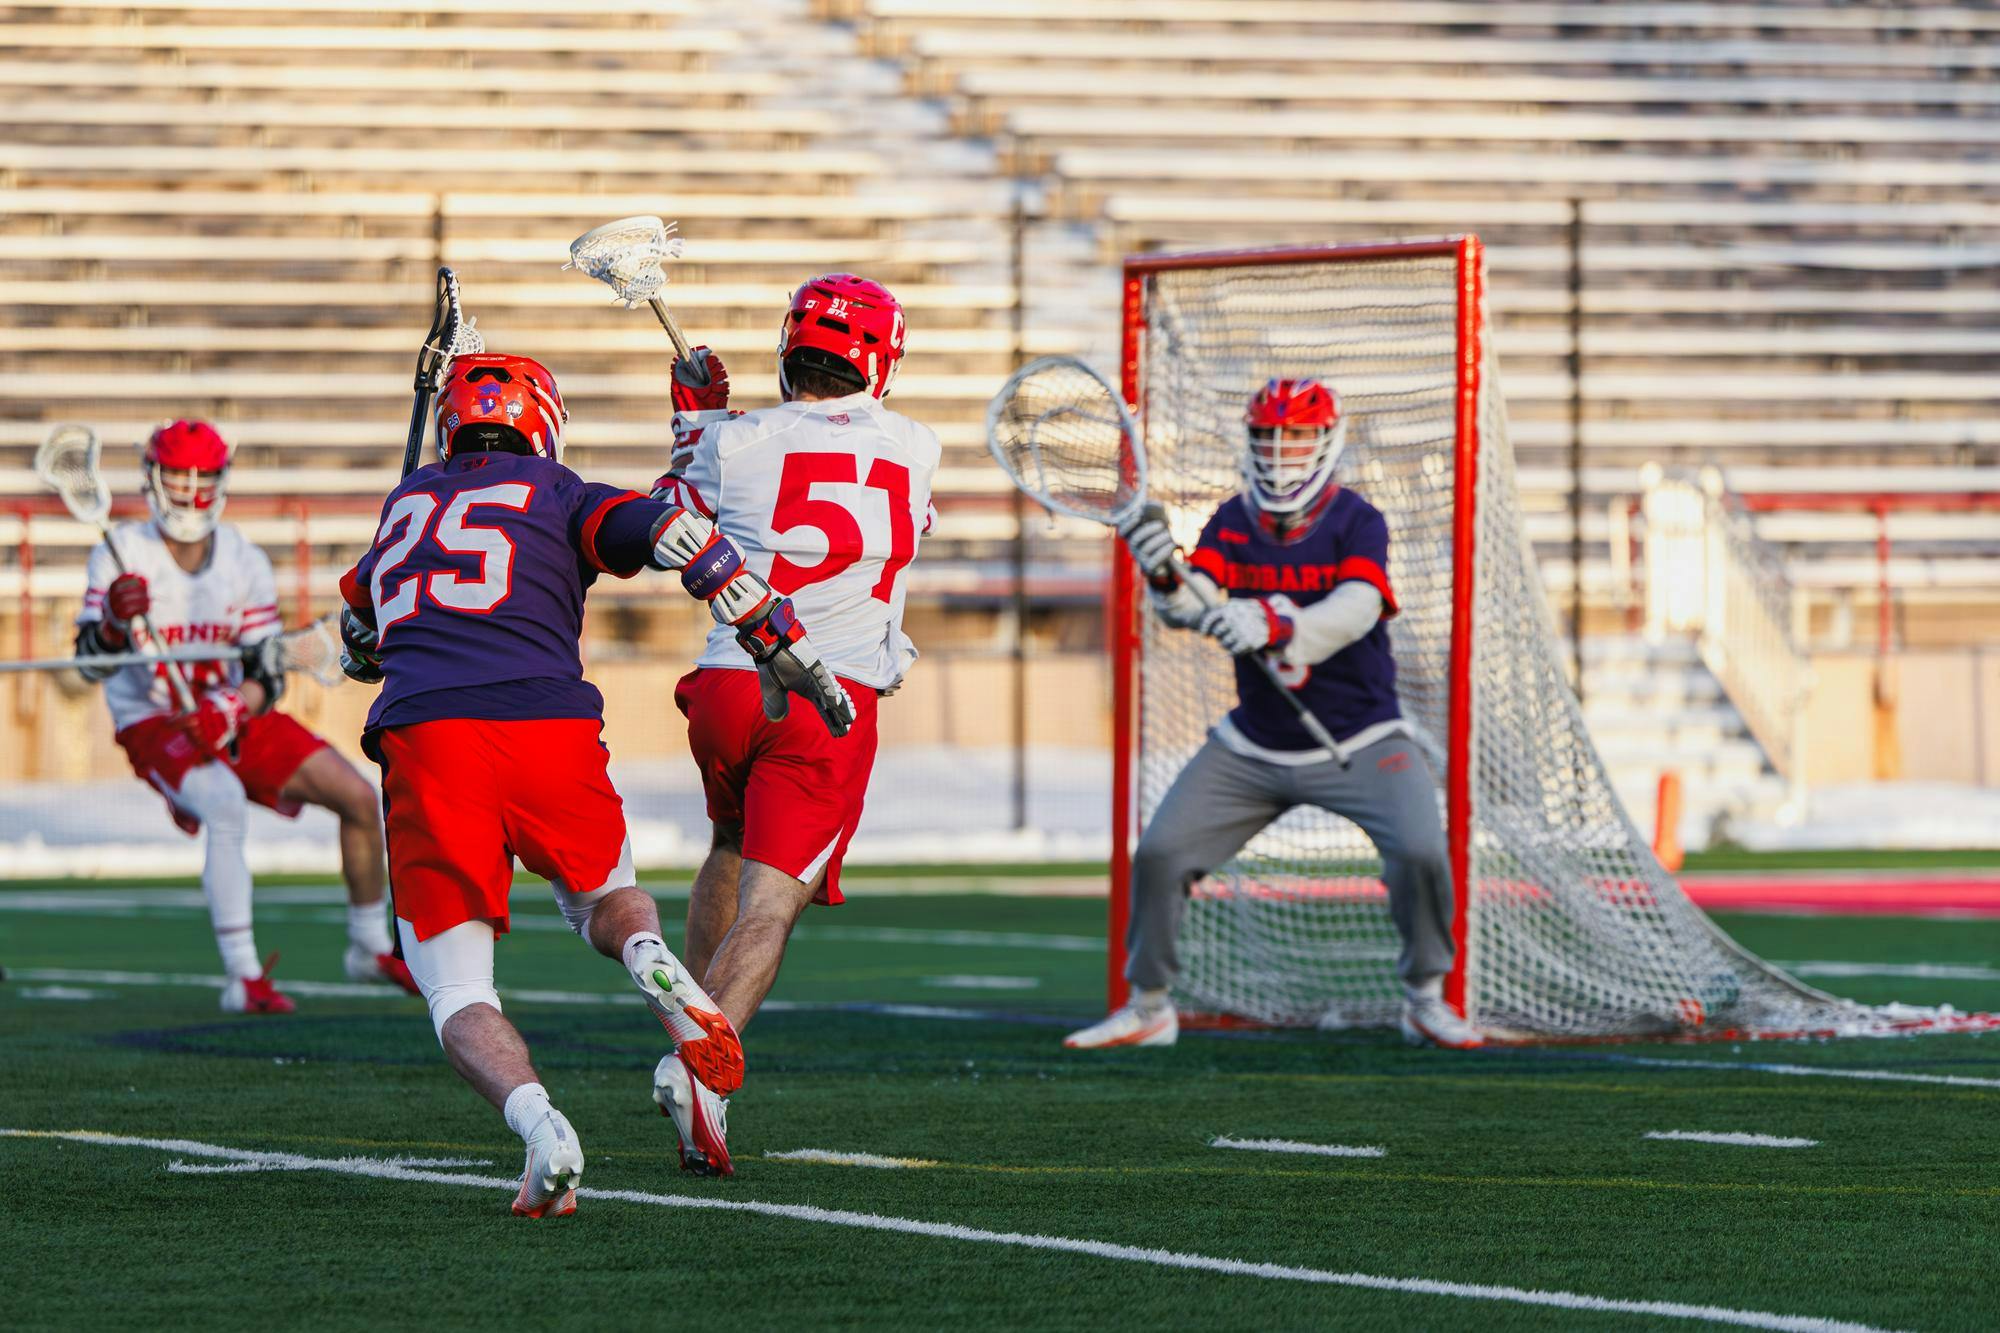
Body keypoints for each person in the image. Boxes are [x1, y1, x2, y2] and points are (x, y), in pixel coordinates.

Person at [337, 351, 851, 1212]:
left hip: (429, 735)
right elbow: (677, 535)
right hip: (547, 723)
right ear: (541, 420)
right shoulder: (562, 490)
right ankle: (654, 963)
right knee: (606, 900)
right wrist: (772, 633)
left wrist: (370, 629)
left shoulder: (402, 508)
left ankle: (543, 1128)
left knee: (458, 986)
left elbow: (359, 639)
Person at [1063, 378, 1482, 1052]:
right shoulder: (1233, 518)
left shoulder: (1357, 519)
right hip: (1255, 742)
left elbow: (1359, 607)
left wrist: (1269, 619)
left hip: (1361, 736)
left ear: (1326, 440)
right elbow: (1192, 601)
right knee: (1164, 851)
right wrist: (1163, 572)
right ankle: (1149, 1004)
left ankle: (1425, 998)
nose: (1281, 449)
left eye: (1297, 435)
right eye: (1269, 435)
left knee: (1422, 851)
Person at [650, 273, 939, 1171]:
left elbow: (671, 520)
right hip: (826, 698)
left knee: (729, 849)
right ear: (879, 360)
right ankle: (705, 1058)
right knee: (774, 904)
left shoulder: (735, 440)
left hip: (731, 681)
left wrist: (697, 424)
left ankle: (695, 1027)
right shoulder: (919, 446)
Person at [74, 420, 416, 1014]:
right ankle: (244, 976)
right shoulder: (122, 552)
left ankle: (367, 946)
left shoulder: (243, 558)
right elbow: (89, 665)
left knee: (359, 799)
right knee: (225, 803)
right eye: (178, 479)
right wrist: (109, 623)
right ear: (154, 480)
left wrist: (232, 707)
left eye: (202, 479)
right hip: (154, 719)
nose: (190, 493)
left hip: (232, 712)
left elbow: (266, 671)